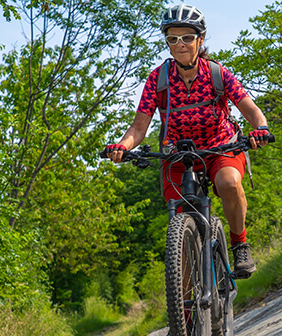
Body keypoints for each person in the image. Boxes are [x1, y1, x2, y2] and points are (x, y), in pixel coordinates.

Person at [104, 3, 271, 279]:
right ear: (167, 42)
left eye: (187, 37)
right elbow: (139, 126)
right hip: (179, 156)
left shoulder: (218, 74)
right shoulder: (158, 79)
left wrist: (261, 129)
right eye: (172, 38)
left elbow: (251, 110)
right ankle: (185, 317)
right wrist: (123, 146)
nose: (180, 44)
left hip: (221, 147)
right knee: (179, 247)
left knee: (229, 183)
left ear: (200, 39)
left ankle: (240, 244)